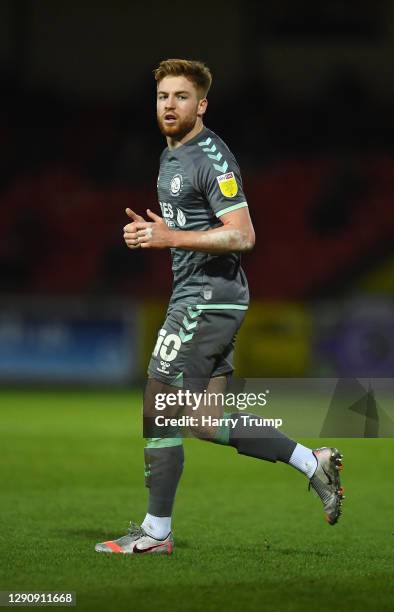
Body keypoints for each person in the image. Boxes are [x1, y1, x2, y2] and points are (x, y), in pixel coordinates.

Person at [95, 59, 344, 556]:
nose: (170, 105)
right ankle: (311, 462)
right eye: (163, 96)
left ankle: (156, 533)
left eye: (181, 97)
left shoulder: (210, 157)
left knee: (158, 404)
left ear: (201, 104)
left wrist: (169, 236)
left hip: (207, 297)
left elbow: (243, 234)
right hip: (209, 293)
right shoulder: (172, 154)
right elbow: (194, 226)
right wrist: (157, 233)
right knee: (204, 420)